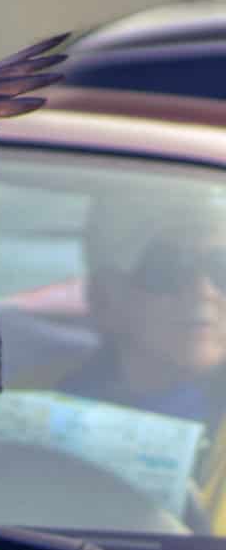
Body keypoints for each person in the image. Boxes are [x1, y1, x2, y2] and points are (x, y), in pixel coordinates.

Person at [58, 190, 226, 529]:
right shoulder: (24, 403)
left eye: (220, 267)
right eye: (165, 268)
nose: (203, 289)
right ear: (104, 296)